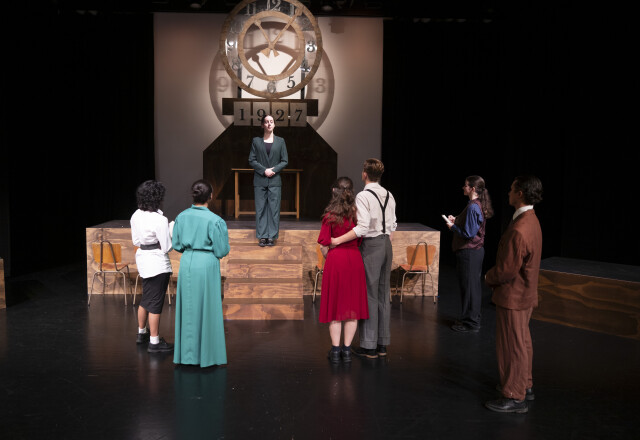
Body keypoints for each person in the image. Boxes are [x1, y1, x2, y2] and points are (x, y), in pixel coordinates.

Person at [484, 175, 543, 414]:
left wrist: (488, 277)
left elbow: (506, 270)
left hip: (513, 297)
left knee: (511, 346)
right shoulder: (531, 220)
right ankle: (524, 386)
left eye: (511, 189)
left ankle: (514, 395)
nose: (508, 192)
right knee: (522, 342)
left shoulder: (520, 228)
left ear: (520, 193)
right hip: (524, 294)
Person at [331, 158, 397, 359]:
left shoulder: (363, 196)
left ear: (365, 174)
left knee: (370, 294)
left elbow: (362, 228)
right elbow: (393, 225)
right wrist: (384, 240)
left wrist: (337, 240)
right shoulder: (389, 194)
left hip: (372, 245)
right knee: (383, 294)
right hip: (386, 245)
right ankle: (382, 344)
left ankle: (369, 346)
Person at [172, 179, 231, 368]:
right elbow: (221, 250)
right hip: (206, 264)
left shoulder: (181, 217)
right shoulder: (215, 220)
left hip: (187, 262)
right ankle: (207, 355)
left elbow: (177, 245)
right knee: (207, 309)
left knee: (188, 309)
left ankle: (186, 356)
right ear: (210, 196)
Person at [317, 177, 369, 364]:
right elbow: (360, 238)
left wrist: (329, 257)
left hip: (335, 260)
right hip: (354, 260)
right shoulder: (357, 214)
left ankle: (335, 351)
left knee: (335, 308)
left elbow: (323, 245)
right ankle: (347, 351)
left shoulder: (329, 216)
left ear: (334, 191)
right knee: (351, 308)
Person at [444, 175, 494, 333]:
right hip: (473, 252)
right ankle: (469, 319)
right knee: (471, 288)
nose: (463, 187)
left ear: (472, 188)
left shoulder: (473, 206)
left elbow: (469, 233)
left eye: (465, 185)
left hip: (470, 252)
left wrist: (452, 227)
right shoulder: (475, 204)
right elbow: (470, 226)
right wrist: (457, 220)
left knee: (470, 289)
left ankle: (471, 323)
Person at [130, 180, 174, 353]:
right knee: (155, 303)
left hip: (143, 260)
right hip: (157, 263)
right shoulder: (160, 220)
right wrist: (171, 229)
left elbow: (135, 241)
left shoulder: (136, 215)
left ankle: (141, 333)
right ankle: (154, 342)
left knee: (146, 299)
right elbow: (167, 247)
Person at [248, 114, 288, 247]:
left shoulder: (280, 141)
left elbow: (284, 160)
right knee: (261, 208)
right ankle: (262, 236)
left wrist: (274, 170)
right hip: (260, 180)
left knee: (274, 209)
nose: (269, 124)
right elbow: (251, 160)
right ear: (262, 125)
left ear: (274, 124)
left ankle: (271, 236)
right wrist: (264, 170)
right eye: (266, 122)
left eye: (271, 121)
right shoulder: (256, 141)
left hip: (275, 180)